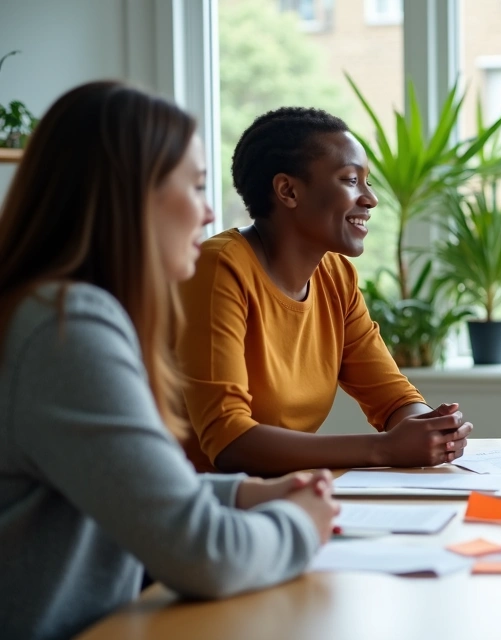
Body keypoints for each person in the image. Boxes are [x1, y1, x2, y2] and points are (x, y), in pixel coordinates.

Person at [0, 82, 337, 640]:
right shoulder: (66, 328)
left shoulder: (49, 312)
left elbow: (124, 482)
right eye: (198, 186)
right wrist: (302, 523)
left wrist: (243, 493)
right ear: (131, 195)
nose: (208, 213)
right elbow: (205, 554)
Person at [176, 107, 472, 476]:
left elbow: (393, 399)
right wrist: (384, 449)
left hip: (290, 495)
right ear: (288, 191)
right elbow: (229, 442)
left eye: (368, 181)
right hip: (206, 507)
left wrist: (431, 430)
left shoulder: (335, 276)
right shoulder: (218, 269)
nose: (370, 198)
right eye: (351, 180)